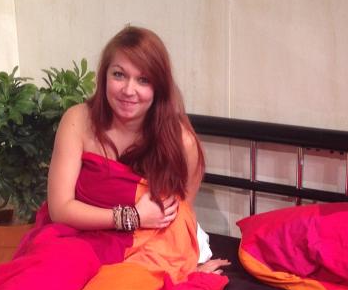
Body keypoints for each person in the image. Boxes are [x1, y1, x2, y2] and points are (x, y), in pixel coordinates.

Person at [46, 25, 228, 272]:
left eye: (143, 80)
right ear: (104, 76)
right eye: (119, 75)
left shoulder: (181, 143)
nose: (128, 90)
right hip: (74, 240)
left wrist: (187, 272)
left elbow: (179, 219)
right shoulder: (77, 120)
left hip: (146, 251)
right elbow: (60, 209)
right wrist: (132, 216)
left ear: (159, 87)